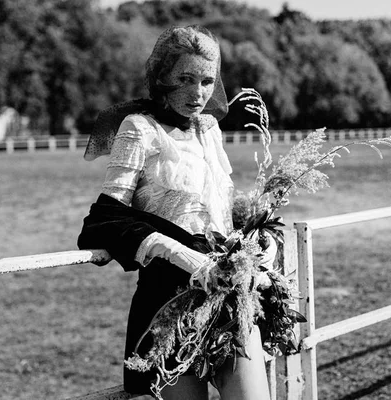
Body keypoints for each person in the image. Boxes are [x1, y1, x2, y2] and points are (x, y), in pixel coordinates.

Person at [78, 25, 274, 400]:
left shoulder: (209, 128)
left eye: (206, 80)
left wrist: (259, 226)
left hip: (227, 298)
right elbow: (104, 217)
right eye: (185, 78)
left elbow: (217, 205)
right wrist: (179, 253)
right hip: (168, 303)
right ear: (162, 77)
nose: (197, 93)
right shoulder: (139, 128)